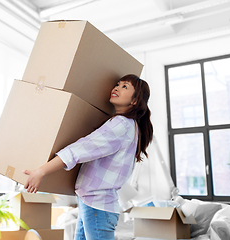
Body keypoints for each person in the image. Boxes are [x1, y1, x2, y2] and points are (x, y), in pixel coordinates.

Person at [23, 74, 153, 240]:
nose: (116, 88)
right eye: (117, 84)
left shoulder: (121, 125)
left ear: (135, 100)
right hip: (91, 203)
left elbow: (80, 149)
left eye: (124, 86)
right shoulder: (128, 125)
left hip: (98, 206)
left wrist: (41, 171)